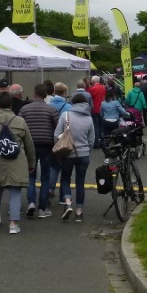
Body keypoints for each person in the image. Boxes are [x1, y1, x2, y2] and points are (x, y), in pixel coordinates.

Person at [0, 91, 36, 234]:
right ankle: (13, 224)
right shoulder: (20, 121)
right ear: (11, 105)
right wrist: (31, 163)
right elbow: (29, 145)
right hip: (16, 160)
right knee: (15, 190)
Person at [19, 83, 59, 218]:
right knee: (45, 177)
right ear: (46, 95)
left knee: (31, 175)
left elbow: (19, 127)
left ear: (34, 94)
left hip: (30, 145)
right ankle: (43, 208)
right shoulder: (51, 110)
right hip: (47, 146)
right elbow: (58, 128)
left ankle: (31, 202)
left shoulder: (24, 109)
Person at [54, 92, 94, 222]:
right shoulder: (89, 118)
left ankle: (67, 201)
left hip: (67, 153)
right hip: (84, 154)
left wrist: (58, 148)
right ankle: (79, 212)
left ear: (73, 103)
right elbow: (91, 140)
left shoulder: (65, 115)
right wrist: (87, 151)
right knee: (80, 182)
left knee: (65, 178)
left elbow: (56, 134)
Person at [87, 75, 106, 148]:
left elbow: (89, 99)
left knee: (95, 126)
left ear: (93, 81)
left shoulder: (91, 89)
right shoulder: (104, 88)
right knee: (102, 126)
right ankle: (102, 141)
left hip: (94, 109)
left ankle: (96, 142)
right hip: (102, 109)